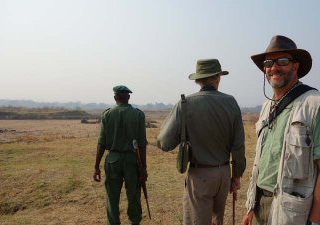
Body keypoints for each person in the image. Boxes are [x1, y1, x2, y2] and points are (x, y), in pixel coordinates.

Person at [242, 35, 320, 225]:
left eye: (282, 61)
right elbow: (261, 162)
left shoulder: (317, 105)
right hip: (259, 206)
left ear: (295, 66)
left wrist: (315, 223)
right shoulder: (266, 108)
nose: (274, 68)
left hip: (292, 212)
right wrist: (250, 209)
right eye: (269, 62)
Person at [157, 59, 246, 225]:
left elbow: (164, 142)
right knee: (217, 220)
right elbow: (239, 145)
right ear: (218, 77)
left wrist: (184, 136)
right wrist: (237, 176)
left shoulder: (185, 104)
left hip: (200, 176)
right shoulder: (231, 102)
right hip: (224, 174)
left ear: (198, 79)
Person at [93, 85, 148, 225]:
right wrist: (143, 167)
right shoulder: (138, 115)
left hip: (113, 160)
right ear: (128, 97)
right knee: (134, 196)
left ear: (115, 97)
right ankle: (134, 222)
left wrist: (96, 166)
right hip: (133, 160)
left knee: (112, 197)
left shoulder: (107, 115)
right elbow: (142, 144)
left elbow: (101, 143)